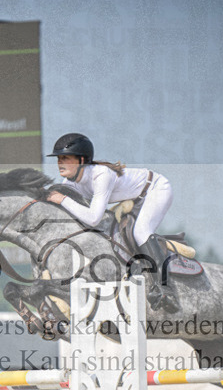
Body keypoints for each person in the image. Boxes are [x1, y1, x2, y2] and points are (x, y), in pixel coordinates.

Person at [44, 132, 179, 312]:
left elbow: (93, 218)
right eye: (59, 158)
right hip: (133, 199)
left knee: (141, 232)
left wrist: (63, 200)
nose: (60, 163)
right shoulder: (69, 183)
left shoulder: (101, 175)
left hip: (155, 189)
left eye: (66, 158)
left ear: (82, 160)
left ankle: (165, 289)